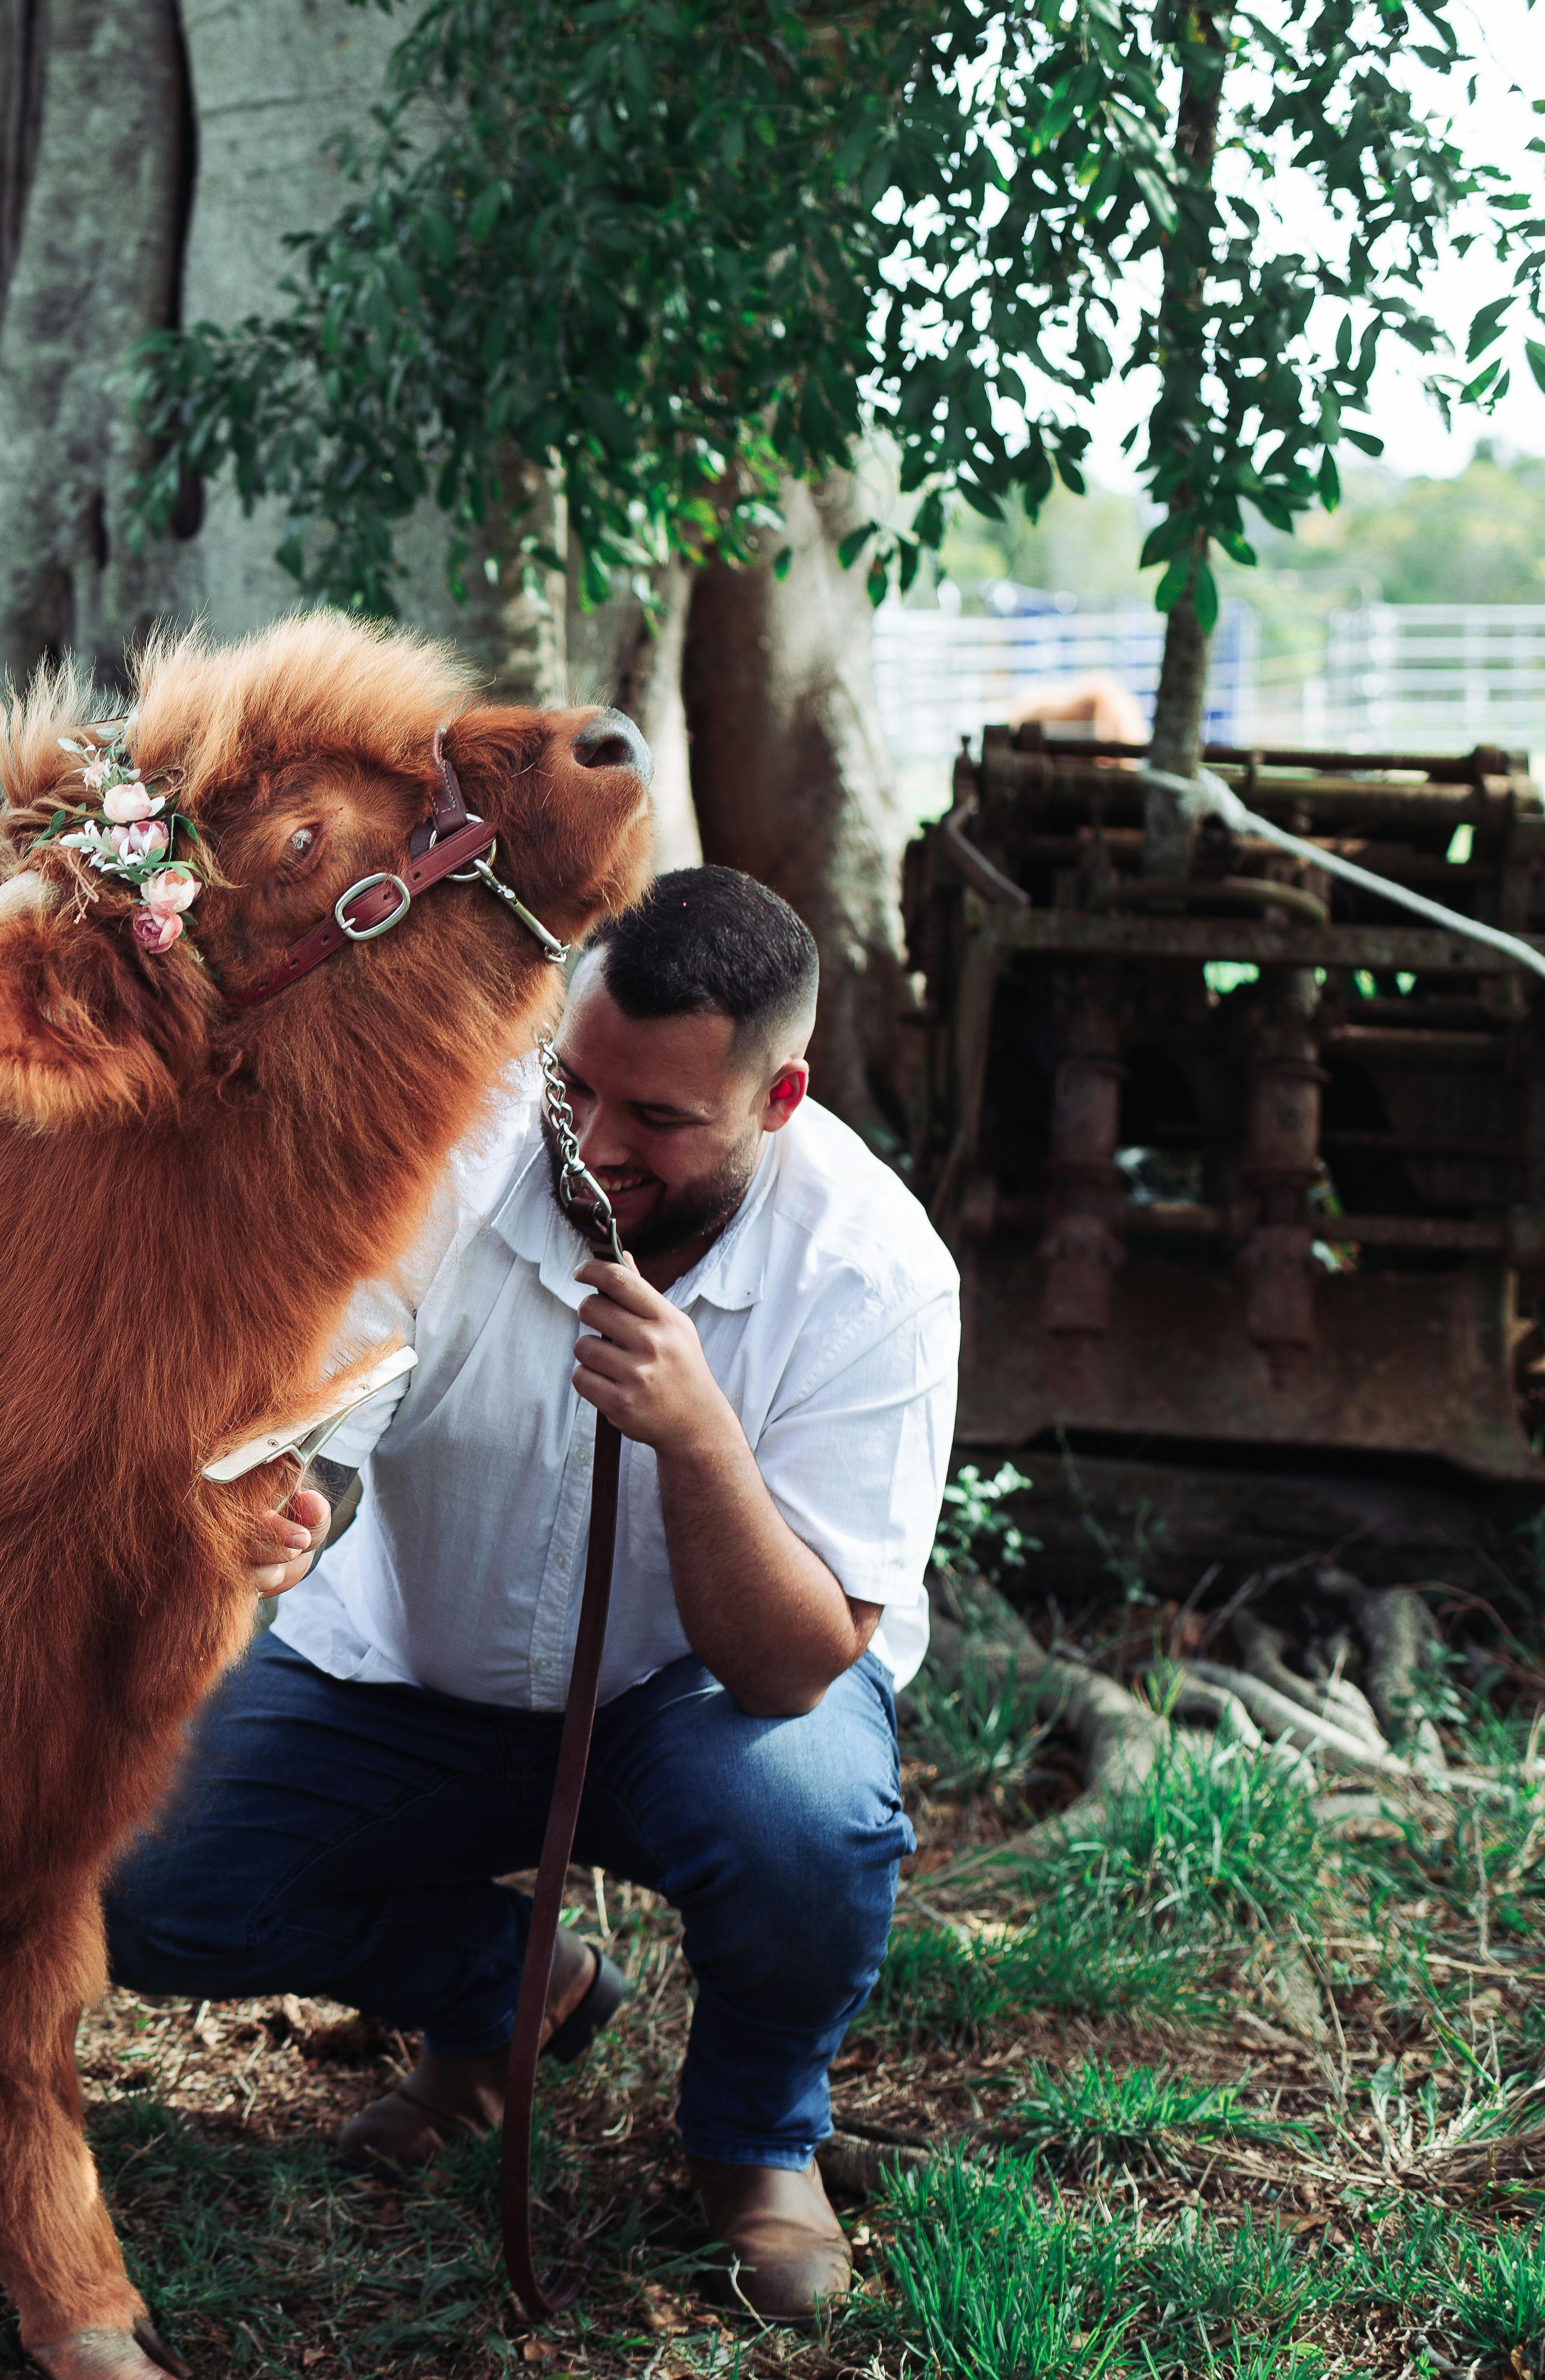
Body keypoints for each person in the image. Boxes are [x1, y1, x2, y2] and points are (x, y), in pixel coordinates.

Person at [104, 866, 958, 2322]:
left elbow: (794, 1665)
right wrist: (290, 1509)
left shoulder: (874, 1275)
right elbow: (333, 1412)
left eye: (660, 1117)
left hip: (701, 1705)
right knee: (143, 1882)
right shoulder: (457, 1145)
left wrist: (698, 1438)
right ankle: (509, 1993)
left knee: (807, 1819)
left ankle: (755, 2140)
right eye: (577, 1083)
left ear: (777, 1098)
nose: (597, 1143)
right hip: (409, 1670)